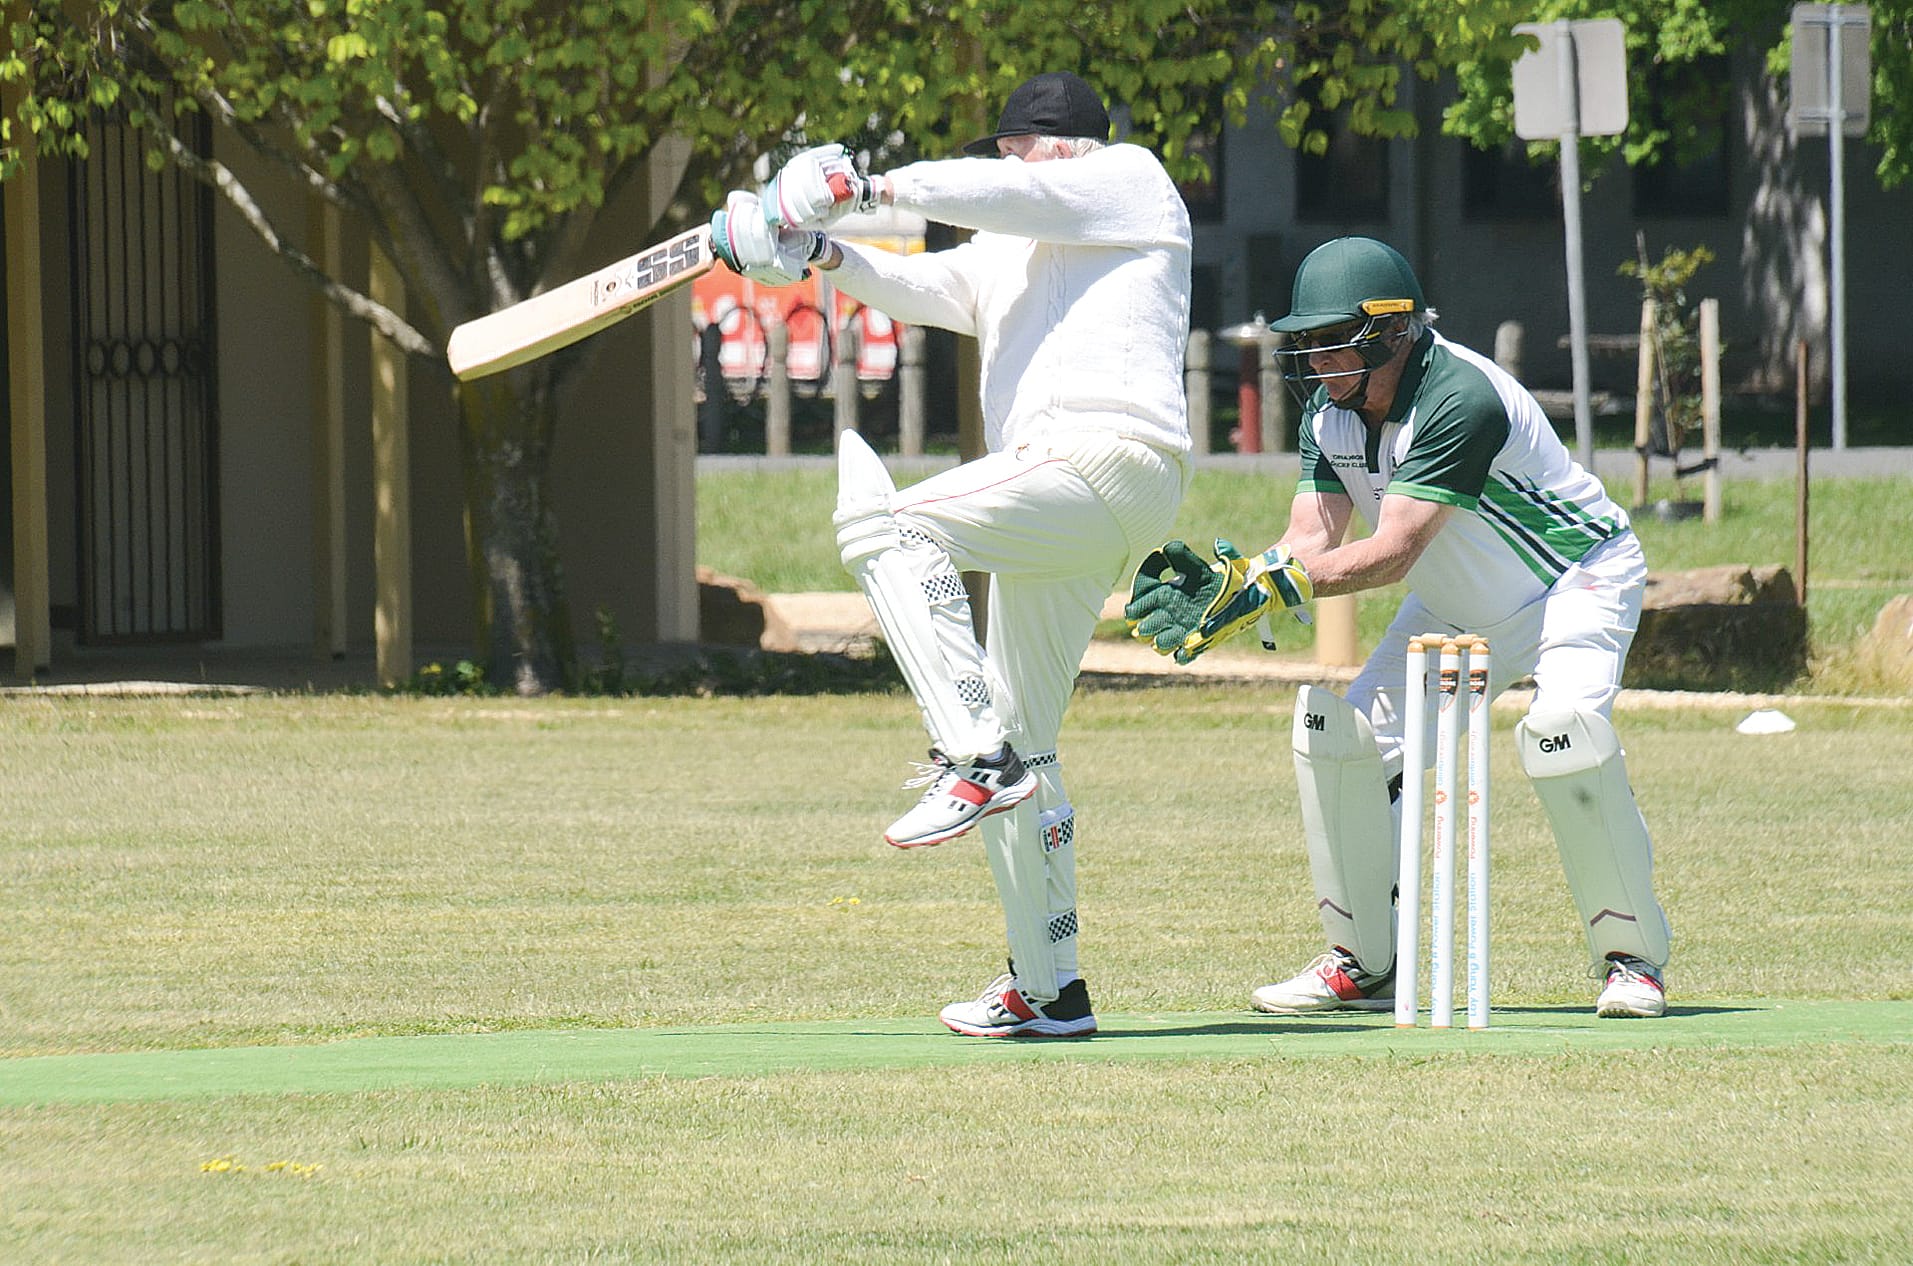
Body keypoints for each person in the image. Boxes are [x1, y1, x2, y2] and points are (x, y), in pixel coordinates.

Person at [712, 71, 1194, 1037]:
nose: (1006, 162)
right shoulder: (1009, 246)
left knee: (892, 526)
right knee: (1034, 738)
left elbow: (1013, 194)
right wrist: (813, 250)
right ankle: (1050, 989)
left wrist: (865, 185)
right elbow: (923, 286)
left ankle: (972, 758)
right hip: (1054, 489)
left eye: (1018, 145)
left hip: (1105, 455)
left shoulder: (1130, 181)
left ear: (1064, 148)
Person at [1124, 236, 1672, 1019]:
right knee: (1340, 746)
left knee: (1566, 736)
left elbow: (1390, 552)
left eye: (1329, 342)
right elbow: (1311, 543)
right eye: (1305, 343)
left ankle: (1633, 963)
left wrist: (1266, 590)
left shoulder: (1458, 398)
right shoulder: (1330, 410)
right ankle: (1363, 961)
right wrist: (1237, 582)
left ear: (1391, 333)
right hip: (1456, 599)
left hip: (1571, 580)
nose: (1314, 361)